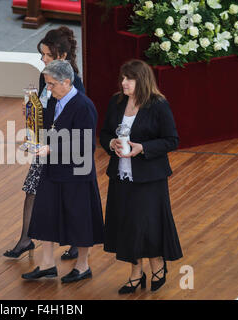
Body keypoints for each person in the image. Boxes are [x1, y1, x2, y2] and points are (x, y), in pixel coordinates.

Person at [100, 59, 183, 293]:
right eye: (122, 78)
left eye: (129, 79)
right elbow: (104, 132)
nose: (123, 83)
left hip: (149, 178)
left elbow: (171, 140)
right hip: (121, 176)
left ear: (142, 80)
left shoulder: (158, 105)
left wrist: (143, 148)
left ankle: (157, 263)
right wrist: (110, 142)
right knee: (127, 225)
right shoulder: (116, 102)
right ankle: (136, 273)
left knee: (148, 224)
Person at [3, 26, 84, 260]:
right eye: (43, 54)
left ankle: (76, 241)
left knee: (65, 194)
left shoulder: (74, 82)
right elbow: (43, 109)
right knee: (32, 191)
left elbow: (74, 118)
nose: (43, 59)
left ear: (62, 56)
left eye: (48, 55)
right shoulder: (44, 76)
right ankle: (26, 239)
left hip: (61, 147)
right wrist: (31, 110)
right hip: (45, 143)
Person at [21, 60, 104, 283]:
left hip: (76, 173)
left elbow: (85, 144)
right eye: (47, 84)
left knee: (80, 219)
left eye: (51, 84)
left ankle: (83, 266)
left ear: (66, 82)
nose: (48, 89)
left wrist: (51, 147)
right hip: (54, 169)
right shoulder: (54, 102)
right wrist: (31, 121)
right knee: (46, 215)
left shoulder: (83, 106)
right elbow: (47, 130)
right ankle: (47, 264)